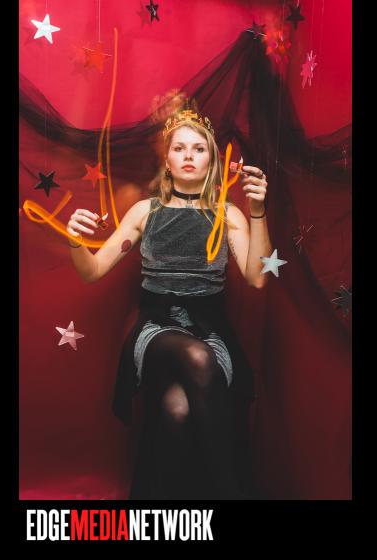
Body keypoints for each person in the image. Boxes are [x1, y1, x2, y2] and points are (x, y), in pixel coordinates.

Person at [65, 101, 272, 500]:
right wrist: (74, 239)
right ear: (168, 159)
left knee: (178, 409)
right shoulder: (145, 211)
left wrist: (258, 211)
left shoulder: (229, 215)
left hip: (210, 330)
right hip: (155, 327)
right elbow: (92, 271)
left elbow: (258, 277)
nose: (189, 155)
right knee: (197, 358)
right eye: (180, 148)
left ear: (211, 160)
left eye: (199, 148)